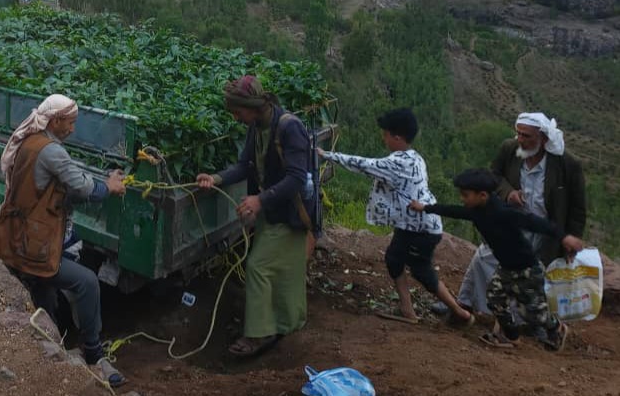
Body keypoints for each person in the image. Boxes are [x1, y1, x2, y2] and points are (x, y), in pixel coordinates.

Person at [0, 94, 127, 385]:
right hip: (33, 245)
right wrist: (108, 186)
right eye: (71, 123)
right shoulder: (51, 151)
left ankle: (48, 347)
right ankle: (93, 353)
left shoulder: (32, 140)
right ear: (57, 120)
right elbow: (83, 188)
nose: (73, 129)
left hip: (18, 235)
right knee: (86, 282)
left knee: (44, 295)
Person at [318, 108, 473, 326]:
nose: (384, 138)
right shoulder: (415, 157)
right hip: (412, 224)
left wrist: (326, 155)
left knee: (421, 270)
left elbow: (362, 164)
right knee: (394, 258)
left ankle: (460, 313)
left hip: (420, 229)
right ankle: (407, 310)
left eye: (386, 134)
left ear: (397, 137)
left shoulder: (396, 164)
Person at [195, 75, 314, 358]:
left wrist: (259, 200)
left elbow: (297, 178)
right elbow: (245, 166)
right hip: (274, 211)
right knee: (284, 269)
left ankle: (260, 334)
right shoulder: (257, 126)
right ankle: (287, 322)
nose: (236, 118)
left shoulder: (289, 128)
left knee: (259, 266)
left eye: (238, 112)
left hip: (290, 213)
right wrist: (216, 178)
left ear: (254, 106)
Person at [410, 168, 582, 350]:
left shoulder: (503, 212)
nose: (462, 199)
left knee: (533, 313)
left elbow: (533, 222)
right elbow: (453, 211)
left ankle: (557, 328)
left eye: (465, 195)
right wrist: (425, 208)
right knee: (494, 298)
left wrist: (563, 237)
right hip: (507, 267)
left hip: (527, 269)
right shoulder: (476, 210)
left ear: (482, 195)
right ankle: (511, 336)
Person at [455, 112, 587, 315]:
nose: (520, 140)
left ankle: (528, 321)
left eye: (527, 136)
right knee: (483, 258)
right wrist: (508, 194)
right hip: (512, 222)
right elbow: (493, 176)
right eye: (518, 134)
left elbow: (578, 207)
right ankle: (467, 304)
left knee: (531, 275)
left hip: (544, 229)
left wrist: (572, 238)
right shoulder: (510, 149)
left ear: (543, 139)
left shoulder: (567, 165)